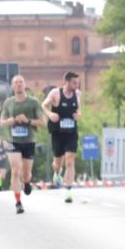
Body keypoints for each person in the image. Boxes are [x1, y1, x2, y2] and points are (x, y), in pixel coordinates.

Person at [1, 75, 47, 214]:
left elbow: (43, 123)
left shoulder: (33, 102)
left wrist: (27, 121)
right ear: (12, 86)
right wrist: (13, 120)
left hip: (28, 141)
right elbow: (2, 123)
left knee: (26, 174)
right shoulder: (8, 103)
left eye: (21, 82)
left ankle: (26, 182)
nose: (19, 84)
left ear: (24, 84)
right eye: (16, 82)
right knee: (15, 170)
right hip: (12, 140)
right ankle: (18, 202)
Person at [42, 71, 82, 203]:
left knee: (70, 160)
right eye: (74, 83)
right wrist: (50, 115)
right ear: (67, 82)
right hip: (58, 133)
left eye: (78, 82)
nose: (76, 85)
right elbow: (44, 105)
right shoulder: (55, 93)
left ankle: (68, 190)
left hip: (71, 132)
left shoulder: (78, 94)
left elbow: (78, 110)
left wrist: (78, 115)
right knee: (58, 163)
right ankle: (57, 172)